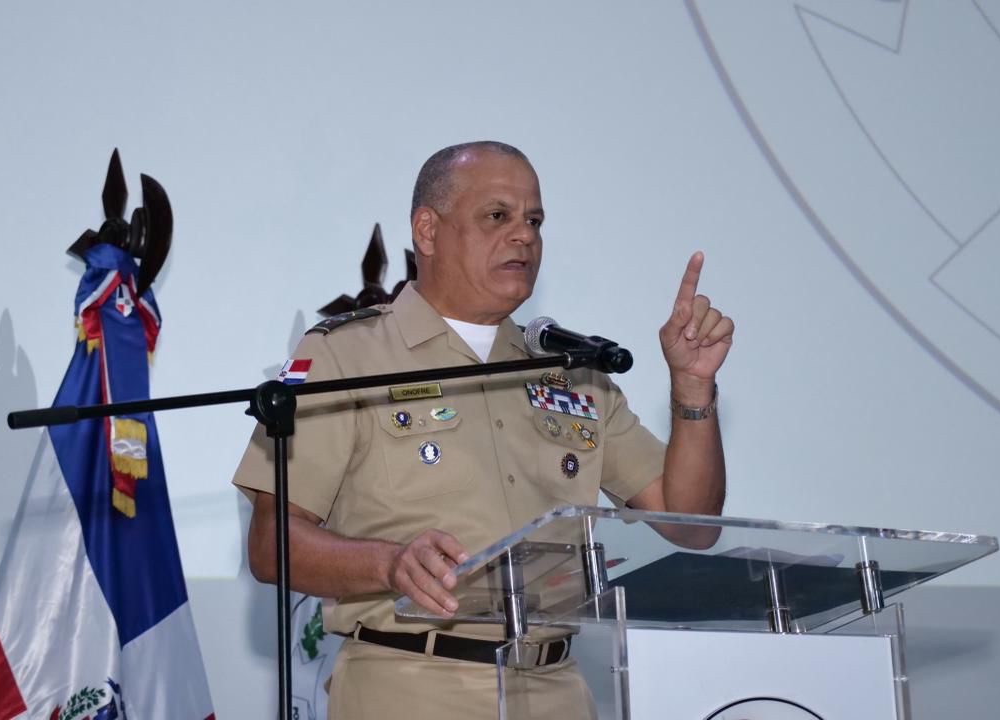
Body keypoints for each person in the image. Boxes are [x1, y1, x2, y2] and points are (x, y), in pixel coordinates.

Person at [232, 140, 734, 719]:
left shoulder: (573, 372)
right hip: (411, 685)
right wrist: (388, 564)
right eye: (498, 216)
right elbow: (270, 545)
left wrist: (692, 388)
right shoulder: (345, 356)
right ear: (427, 230)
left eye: (534, 221)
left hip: (558, 689)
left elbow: (690, 524)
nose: (524, 236)